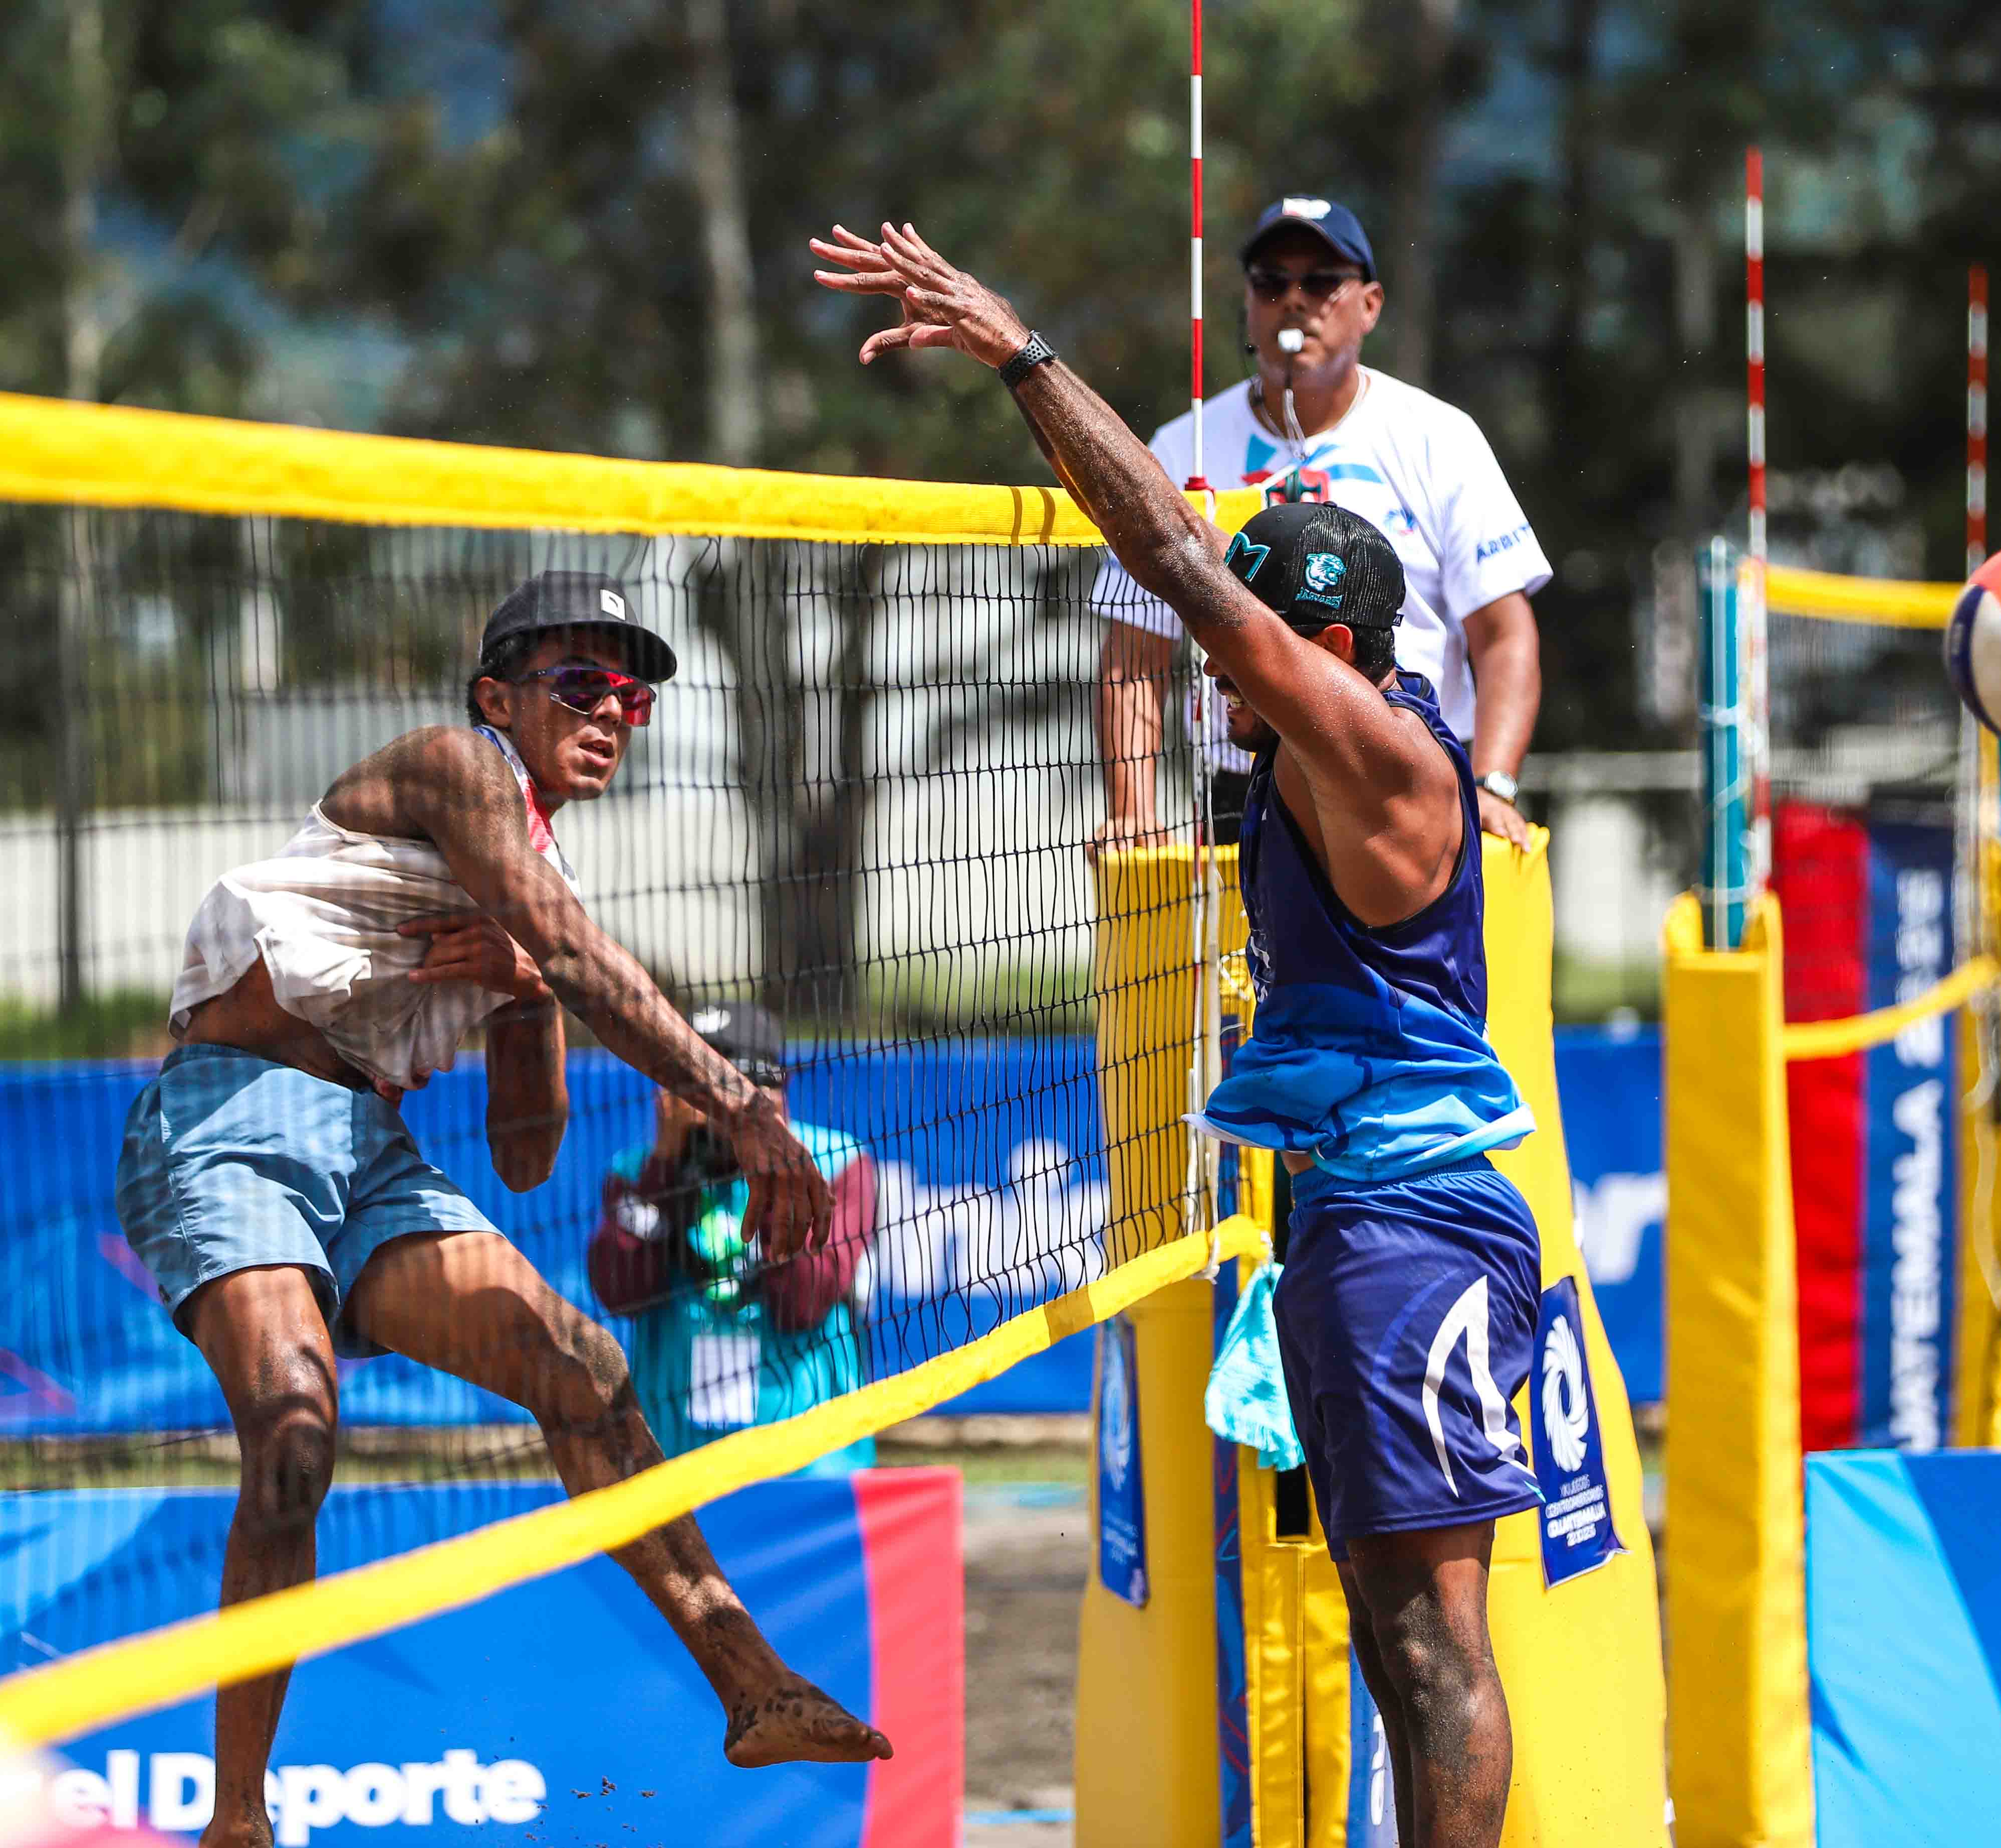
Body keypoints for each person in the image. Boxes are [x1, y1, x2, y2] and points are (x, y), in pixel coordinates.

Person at [815, 221, 1542, 1848]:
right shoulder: (1319, 759)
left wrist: (1017, 350)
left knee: (1435, 1647)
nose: (1225, 675)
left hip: (1415, 1223)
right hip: (1358, 1212)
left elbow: (1171, 559)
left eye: (1259, 640)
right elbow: (1185, 587)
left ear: (1329, 656)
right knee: (1390, 1631)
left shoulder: (1378, 755)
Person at [113, 571, 889, 1848]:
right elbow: (580, 952)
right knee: (296, 1432)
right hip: (230, 1119)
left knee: (584, 1368)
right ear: (497, 697)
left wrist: (525, 999)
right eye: (581, 684)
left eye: (631, 695)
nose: (613, 712)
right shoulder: (452, 767)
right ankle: (237, 1817)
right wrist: (741, 1104)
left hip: (370, 1147)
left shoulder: (533, 871)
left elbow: (525, 1154)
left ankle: (754, 1684)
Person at [1092, 196, 1549, 852]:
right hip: (1240, 794)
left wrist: (1494, 784)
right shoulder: (1179, 449)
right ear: (1248, 302)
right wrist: (1133, 808)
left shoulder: (1440, 437)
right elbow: (1135, 654)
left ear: (1370, 304)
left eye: (1322, 282)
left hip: (1401, 785)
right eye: (1272, 282)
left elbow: (1504, 636)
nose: (1295, 301)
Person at [589, 1000, 880, 1474]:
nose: (716, 1108)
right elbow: (620, 1293)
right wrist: (664, 1168)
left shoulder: (837, 1163)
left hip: (811, 1465)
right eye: (698, 1088)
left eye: (728, 1088)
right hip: (679, 1466)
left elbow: (802, 1303)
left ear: (774, 1089)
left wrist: (769, 1160)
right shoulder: (635, 1171)